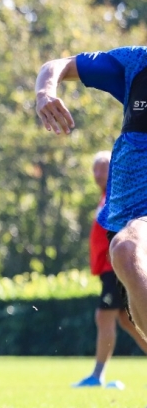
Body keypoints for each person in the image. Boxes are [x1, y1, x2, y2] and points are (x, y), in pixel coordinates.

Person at [36, 46, 147, 348]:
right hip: (134, 213)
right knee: (124, 251)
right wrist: (45, 94)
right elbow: (56, 65)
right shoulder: (137, 62)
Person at [73, 151, 147, 389]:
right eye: (95, 169)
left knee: (103, 316)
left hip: (115, 268)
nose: (97, 174)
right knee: (128, 320)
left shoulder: (120, 196)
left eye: (103, 168)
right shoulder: (105, 197)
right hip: (107, 268)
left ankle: (97, 375)